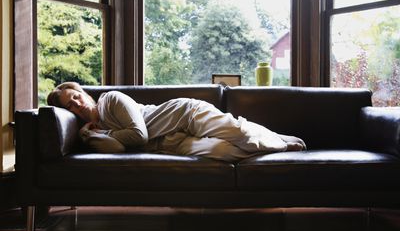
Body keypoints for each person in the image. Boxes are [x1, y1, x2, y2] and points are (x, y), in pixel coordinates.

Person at [47, 82, 306, 161]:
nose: (76, 104)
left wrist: (107, 135)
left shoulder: (111, 99)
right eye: (69, 105)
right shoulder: (95, 130)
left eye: (76, 97)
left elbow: (138, 136)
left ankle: (280, 140)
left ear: (83, 92)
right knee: (227, 153)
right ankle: (274, 140)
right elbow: (117, 149)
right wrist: (89, 136)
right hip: (172, 144)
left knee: (240, 133)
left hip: (186, 115)